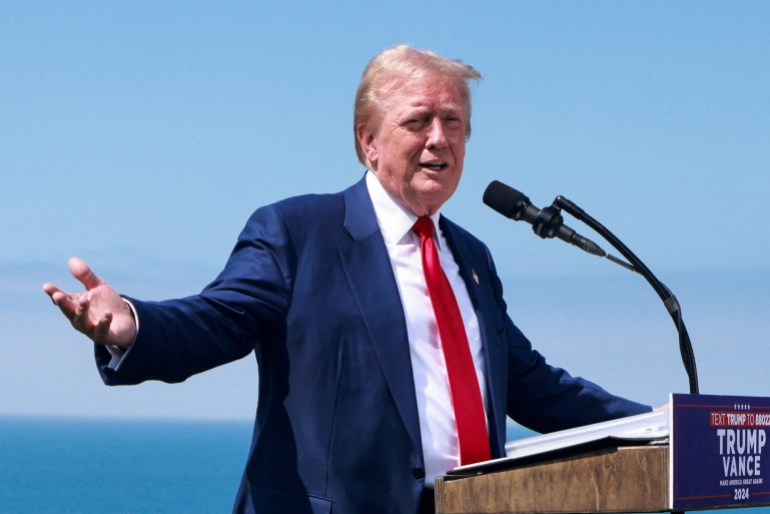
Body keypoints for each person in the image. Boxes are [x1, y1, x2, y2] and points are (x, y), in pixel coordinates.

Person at [43, 45, 650, 514]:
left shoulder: (473, 256)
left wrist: (660, 425)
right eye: (419, 121)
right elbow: (216, 319)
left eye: (454, 122)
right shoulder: (297, 233)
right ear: (369, 142)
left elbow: (529, 383)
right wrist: (132, 324)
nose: (441, 137)